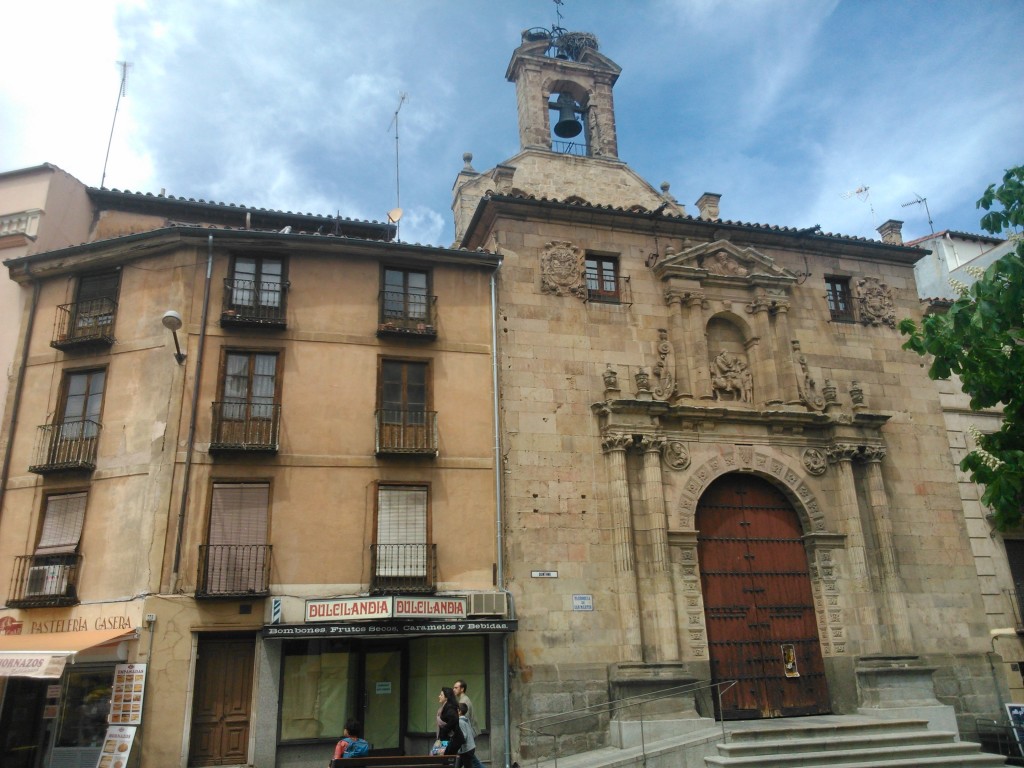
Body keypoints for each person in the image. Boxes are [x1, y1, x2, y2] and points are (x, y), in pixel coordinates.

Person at [453, 680, 484, 768]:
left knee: (473, 761)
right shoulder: (463, 700)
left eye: (456, 687)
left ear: (462, 689)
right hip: (468, 736)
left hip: (468, 736)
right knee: (470, 761)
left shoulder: (464, 701)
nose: (454, 689)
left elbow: (463, 720)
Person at [438, 687, 464, 756]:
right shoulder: (445, 707)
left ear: (446, 697)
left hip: (451, 739)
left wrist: (444, 729)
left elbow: (454, 719)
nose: (439, 696)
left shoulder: (449, 707)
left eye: (441, 695)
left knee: (447, 761)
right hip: (448, 739)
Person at [456, 702, 476, 768]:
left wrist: (455, 743)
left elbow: (463, 736)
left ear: (459, 711)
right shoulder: (466, 720)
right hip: (469, 748)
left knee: (467, 766)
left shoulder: (460, 722)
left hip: (466, 749)